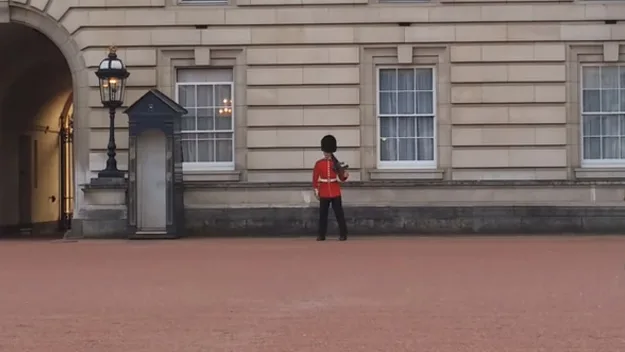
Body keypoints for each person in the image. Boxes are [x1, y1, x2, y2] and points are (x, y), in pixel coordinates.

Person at [312, 135, 349, 241]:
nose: (326, 154)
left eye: (328, 152)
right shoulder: (319, 164)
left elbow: (341, 178)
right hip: (324, 191)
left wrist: (345, 174)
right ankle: (321, 234)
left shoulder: (336, 164)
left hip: (334, 190)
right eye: (325, 152)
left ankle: (343, 233)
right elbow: (315, 178)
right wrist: (316, 190)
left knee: (339, 214)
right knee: (323, 215)